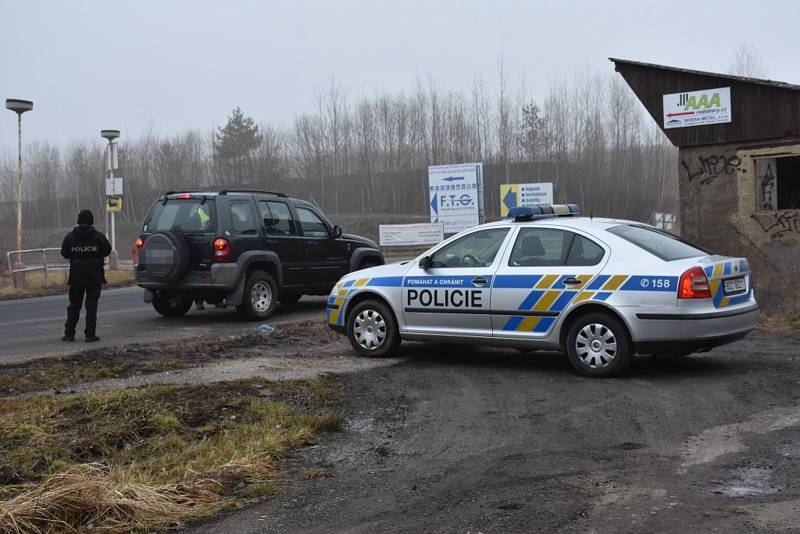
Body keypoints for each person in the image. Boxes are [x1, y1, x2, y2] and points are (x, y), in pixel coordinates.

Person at [60, 209, 112, 342]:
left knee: (74, 304)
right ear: (91, 221)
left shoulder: (70, 237)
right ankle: (90, 335)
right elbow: (107, 250)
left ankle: (69, 333)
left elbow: (65, 253)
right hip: (94, 273)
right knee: (91, 304)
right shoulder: (98, 236)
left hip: (77, 274)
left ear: (78, 221)